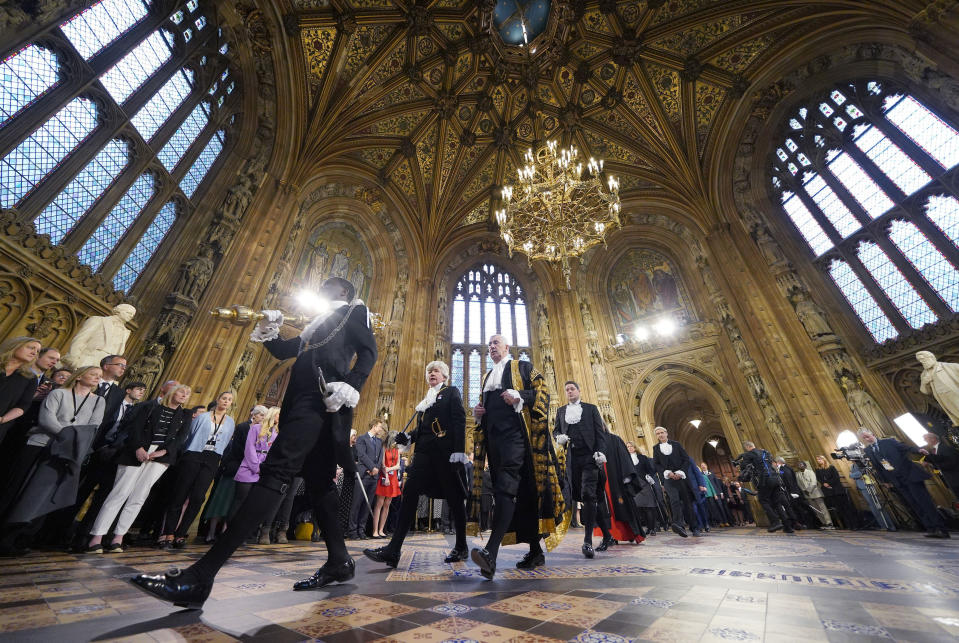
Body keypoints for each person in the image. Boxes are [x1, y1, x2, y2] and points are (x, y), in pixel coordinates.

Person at [132, 276, 377, 607]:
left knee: (275, 473)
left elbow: (368, 351)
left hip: (322, 400)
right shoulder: (317, 326)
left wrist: (353, 384)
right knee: (319, 484)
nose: (320, 289)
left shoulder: (353, 313)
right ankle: (338, 561)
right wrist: (271, 331)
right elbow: (286, 350)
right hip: (299, 403)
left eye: (327, 287)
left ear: (345, 292)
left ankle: (201, 577)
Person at [468, 335, 566, 579]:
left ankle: (491, 552)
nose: (491, 347)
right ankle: (535, 551)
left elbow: (544, 392)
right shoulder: (486, 377)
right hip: (495, 443)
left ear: (507, 347)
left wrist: (520, 396)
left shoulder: (523, 367)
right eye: (489, 344)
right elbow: (485, 408)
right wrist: (478, 412)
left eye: (495, 343)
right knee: (522, 493)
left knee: (505, 488)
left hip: (517, 438)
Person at [364, 360, 469, 568]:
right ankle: (393, 550)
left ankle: (461, 545)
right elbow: (422, 430)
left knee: (455, 499)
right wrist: (407, 437)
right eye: (429, 371)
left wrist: (459, 450)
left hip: (445, 454)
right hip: (424, 456)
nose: (432, 373)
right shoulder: (425, 402)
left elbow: (459, 419)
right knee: (410, 494)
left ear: (444, 375)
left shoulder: (451, 392)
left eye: (436, 370)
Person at [0, 366, 106, 552]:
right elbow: (46, 419)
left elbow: (93, 426)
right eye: (93, 374)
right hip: (41, 445)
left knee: (43, 494)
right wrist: (66, 436)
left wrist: (69, 441)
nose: (98, 378)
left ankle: (24, 537)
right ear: (79, 376)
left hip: (67, 451)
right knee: (21, 488)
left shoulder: (98, 401)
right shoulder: (59, 393)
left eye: (99, 376)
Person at [86, 385, 192, 552]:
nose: (184, 395)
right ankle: (97, 536)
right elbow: (134, 429)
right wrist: (138, 448)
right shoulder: (149, 407)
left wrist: (163, 451)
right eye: (181, 391)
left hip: (161, 457)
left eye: (187, 393)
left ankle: (118, 537)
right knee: (120, 493)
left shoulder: (185, 415)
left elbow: (180, 437)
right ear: (172, 392)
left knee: (139, 497)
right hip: (136, 452)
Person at [158, 391, 236, 549]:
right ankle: (167, 533)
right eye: (224, 398)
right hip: (193, 454)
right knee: (180, 494)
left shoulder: (230, 422)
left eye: (229, 400)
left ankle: (181, 533)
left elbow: (226, 442)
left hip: (213, 458)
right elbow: (189, 434)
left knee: (198, 497)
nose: (226, 401)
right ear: (218, 399)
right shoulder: (203, 416)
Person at [553, 381, 613, 558]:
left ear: (579, 390)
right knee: (585, 497)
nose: (569, 391)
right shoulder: (561, 411)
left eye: (572, 389)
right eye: (567, 390)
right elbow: (555, 431)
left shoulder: (591, 408)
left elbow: (600, 433)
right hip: (571, 459)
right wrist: (559, 437)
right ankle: (607, 535)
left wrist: (601, 452)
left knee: (589, 495)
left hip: (590, 457)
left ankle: (587, 541)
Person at [858, 428, 949, 538]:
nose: (867, 439)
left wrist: (918, 450)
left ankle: (941, 529)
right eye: (864, 438)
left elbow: (905, 447)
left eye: (868, 436)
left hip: (910, 475)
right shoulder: (868, 451)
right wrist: (885, 481)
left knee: (925, 502)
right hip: (897, 480)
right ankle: (931, 528)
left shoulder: (888, 441)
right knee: (914, 504)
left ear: (872, 433)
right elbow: (878, 467)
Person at [230, 406, 280, 543]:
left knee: (252, 504)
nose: (279, 418)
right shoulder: (256, 428)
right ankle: (231, 532)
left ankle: (244, 534)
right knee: (240, 501)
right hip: (249, 467)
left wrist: (265, 468)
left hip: (263, 470)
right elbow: (249, 448)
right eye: (278, 415)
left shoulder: (277, 432)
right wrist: (255, 466)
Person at [738, 442, 794, 533]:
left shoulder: (748, 454)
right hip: (775, 479)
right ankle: (788, 526)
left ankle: (775, 521)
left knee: (763, 500)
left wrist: (741, 463)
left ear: (748, 447)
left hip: (765, 480)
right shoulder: (765, 452)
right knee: (777, 503)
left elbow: (744, 467)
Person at [652, 426, 696, 537]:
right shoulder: (656, 448)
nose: (660, 435)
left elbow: (686, 459)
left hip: (681, 477)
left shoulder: (676, 445)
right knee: (674, 500)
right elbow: (656, 464)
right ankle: (679, 525)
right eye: (658, 434)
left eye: (662, 432)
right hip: (668, 479)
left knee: (687, 503)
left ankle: (694, 528)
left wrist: (680, 472)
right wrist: (667, 473)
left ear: (666, 433)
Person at [0, 337, 41, 445]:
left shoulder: (30, 378)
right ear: (16, 346)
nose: (34, 353)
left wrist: (3, 419)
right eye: (31, 348)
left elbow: (23, 405)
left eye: (37, 351)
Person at [348, 420, 385, 539]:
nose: (381, 429)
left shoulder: (379, 441)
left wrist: (376, 469)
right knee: (357, 503)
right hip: (363, 475)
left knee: (367, 504)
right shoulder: (362, 439)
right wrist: (372, 467)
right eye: (380, 427)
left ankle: (361, 530)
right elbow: (362, 455)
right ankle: (353, 531)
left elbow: (380, 458)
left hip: (374, 476)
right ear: (374, 426)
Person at [814, 454, 857, 530]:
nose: (818, 461)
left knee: (846, 507)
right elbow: (819, 479)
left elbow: (836, 477)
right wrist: (824, 484)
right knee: (839, 509)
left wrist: (829, 483)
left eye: (819, 459)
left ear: (824, 459)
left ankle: (854, 524)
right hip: (829, 492)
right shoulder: (818, 469)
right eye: (817, 459)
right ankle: (846, 525)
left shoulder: (831, 467)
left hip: (837, 490)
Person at [849, 462, 896, 531]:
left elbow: (860, 473)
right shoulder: (852, 465)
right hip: (862, 487)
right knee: (873, 507)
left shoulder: (860, 462)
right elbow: (853, 475)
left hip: (868, 486)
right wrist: (853, 475)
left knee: (878, 506)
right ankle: (882, 525)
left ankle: (889, 525)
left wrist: (852, 475)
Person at [372, 431, 401, 538]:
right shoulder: (384, 447)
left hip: (393, 478)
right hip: (384, 477)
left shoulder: (397, 449)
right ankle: (375, 530)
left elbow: (398, 466)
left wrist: (390, 469)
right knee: (379, 504)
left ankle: (381, 530)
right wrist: (387, 474)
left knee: (387, 505)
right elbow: (383, 465)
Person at [795, 460, 834, 529]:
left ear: (805, 465)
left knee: (822, 508)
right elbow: (799, 484)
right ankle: (823, 523)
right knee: (816, 510)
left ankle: (829, 522)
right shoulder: (797, 474)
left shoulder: (810, 472)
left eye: (801, 464)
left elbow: (814, 482)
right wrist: (804, 490)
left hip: (815, 492)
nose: (800, 466)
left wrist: (809, 490)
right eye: (798, 465)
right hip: (807, 494)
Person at [920, 433, 959, 499]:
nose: (925, 441)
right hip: (952, 481)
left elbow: (951, 464)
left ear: (933, 439)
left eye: (926, 439)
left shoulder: (945, 448)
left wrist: (931, 464)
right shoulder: (935, 451)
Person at [775, 456, 808, 529]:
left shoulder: (785, 469)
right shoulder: (784, 468)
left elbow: (789, 481)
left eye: (775, 463)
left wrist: (792, 492)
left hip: (792, 492)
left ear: (778, 462)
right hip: (790, 492)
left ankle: (802, 523)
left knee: (797, 508)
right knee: (794, 508)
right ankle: (798, 523)